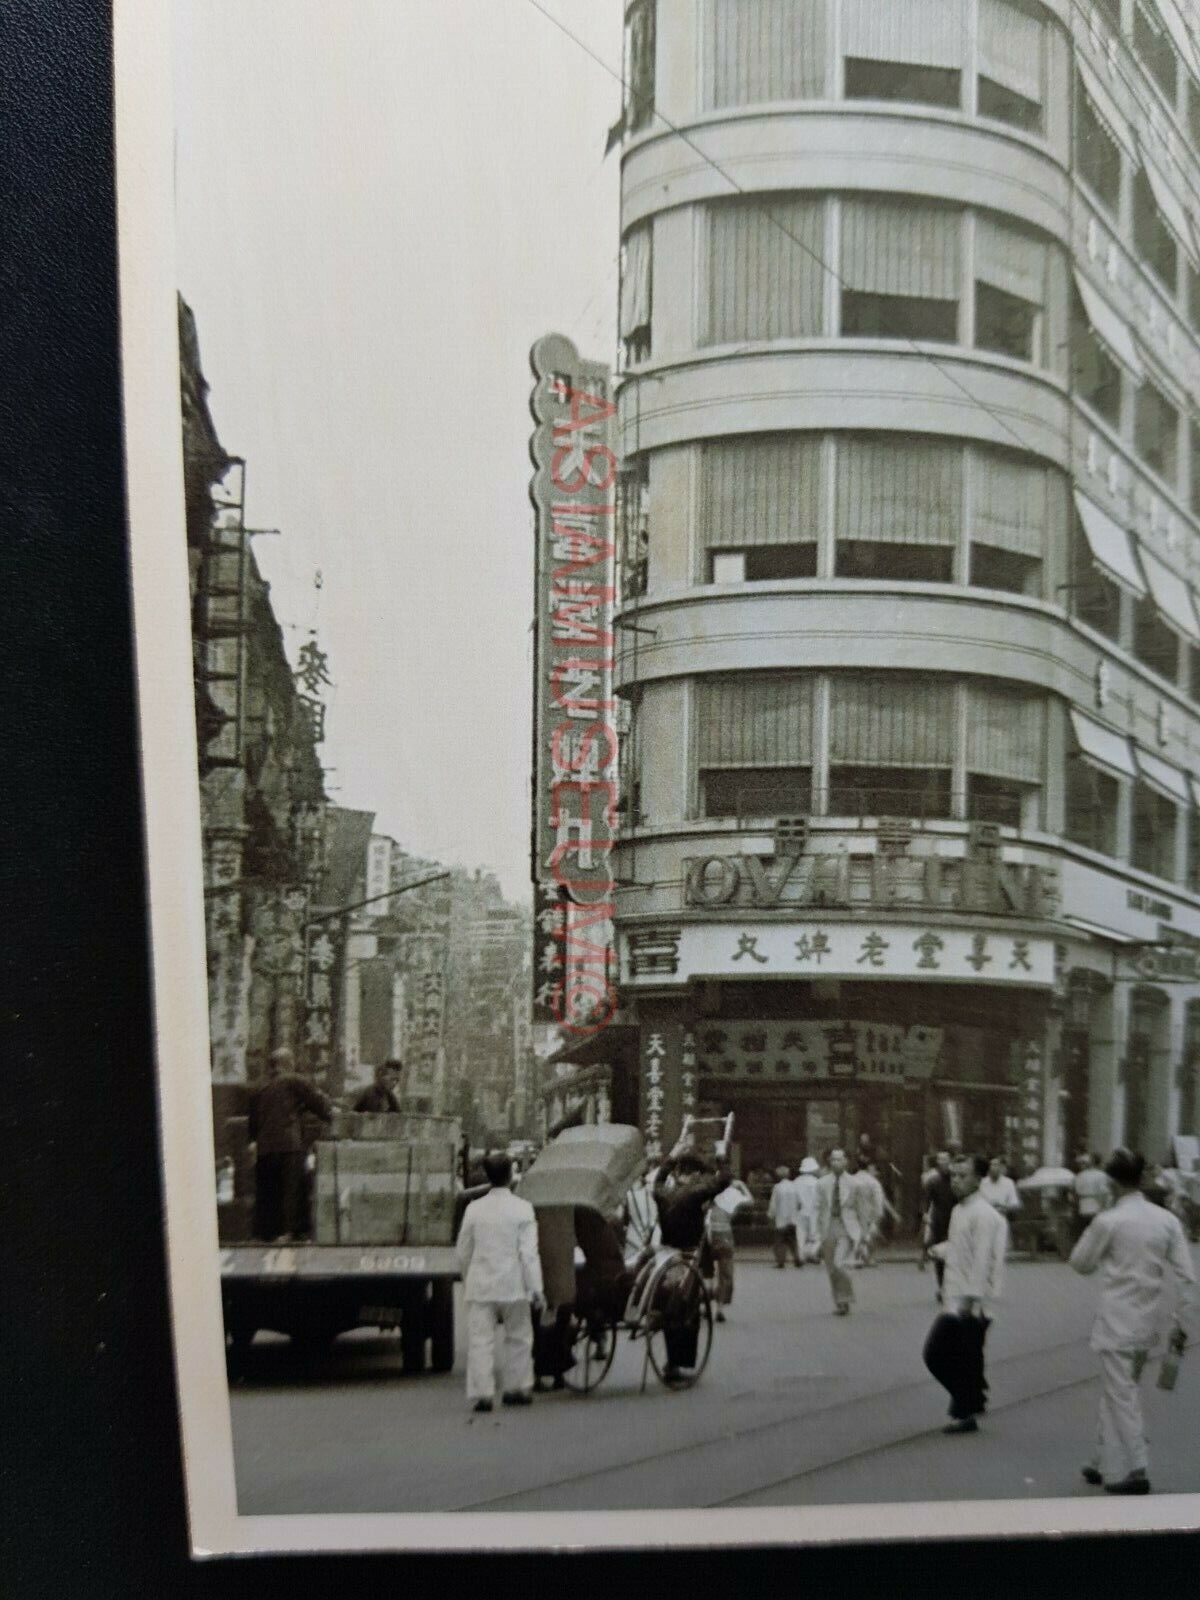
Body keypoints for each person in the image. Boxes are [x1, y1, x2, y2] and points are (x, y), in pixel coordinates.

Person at [1069, 1148, 1197, 1495]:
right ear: (1141, 1178)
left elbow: (1080, 1263)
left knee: (1120, 1392)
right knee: (1121, 1387)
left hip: (1115, 1320)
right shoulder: (1166, 1220)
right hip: (1148, 1320)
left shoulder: (1108, 1221)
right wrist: (1182, 1324)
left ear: (1110, 1183)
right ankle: (1099, 1461)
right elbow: (1188, 1277)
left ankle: (1136, 1466)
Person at [923, 1154, 1008, 1434]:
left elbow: (982, 1261)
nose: (956, 1182)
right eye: (953, 1176)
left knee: (936, 1353)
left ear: (978, 1179)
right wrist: (939, 1250)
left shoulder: (984, 1215)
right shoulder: (961, 1211)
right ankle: (970, 1404)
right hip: (956, 1295)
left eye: (963, 1176)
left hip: (970, 1303)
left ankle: (966, 1408)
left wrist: (970, 1302)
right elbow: (962, 1246)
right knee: (967, 1358)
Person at [456, 1149, 545, 1413]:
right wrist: (536, 1289)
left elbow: (463, 1251)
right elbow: (529, 1254)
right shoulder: (523, 1209)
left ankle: (482, 1394)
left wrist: (467, 1277)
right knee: (519, 1337)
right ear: (511, 1176)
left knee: (480, 1341)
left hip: (481, 1284)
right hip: (513, 1284)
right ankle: (516, 1388)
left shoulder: (474, 1209)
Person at [652, 1146, 730, 1379]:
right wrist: (718, 1159)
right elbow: (724, 1180)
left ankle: (672, 1359)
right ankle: (677, 1363)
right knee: (685, 1311)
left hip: (666, 1256)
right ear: (694, 1174)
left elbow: (658, 1179)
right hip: (688, 1256)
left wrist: (669, 1163)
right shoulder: (695, 1193)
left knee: (671, 1305)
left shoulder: (662, 1193)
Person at [247, 1047, 333, 1242]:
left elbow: (252, 1123)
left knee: (268, 1192)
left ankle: (265, 1234)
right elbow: (318, 1102)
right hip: (288, 1145)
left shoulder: (259, 1087)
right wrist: (332, 1115)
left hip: (264, 1148)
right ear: (287, 1064)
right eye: (292, 1062)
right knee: (292, 1190)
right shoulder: (293, 1080)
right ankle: (289, 1232)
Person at [815, 1149, 868, 1314]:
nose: (836, 1163)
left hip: (847, 1227)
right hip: (828, 1226)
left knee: (840, 1264)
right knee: (831, 1267)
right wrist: (814, 1234)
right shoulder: (822, 1183)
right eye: (833, 1160)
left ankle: (846, 1298)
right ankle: (839, 1301)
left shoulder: (855, 1184)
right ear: (829, 1162)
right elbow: (818, 1209)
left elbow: (862, 1211)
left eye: (839, 1160)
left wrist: (864, 1235)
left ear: (846, 1162)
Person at [922, 1150, 956, 1301]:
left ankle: (953, 1286)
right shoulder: (933, 1182)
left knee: (955, 1255)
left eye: (946, 1159)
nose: (943, 1162)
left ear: (951, 1161)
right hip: (939, 1221)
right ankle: (942, 1287)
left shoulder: (956, 1180)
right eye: (940, 1160)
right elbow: (926, 1201)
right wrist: (925, 1214)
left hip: (956, 1220)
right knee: (940, 1256)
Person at [854, 1161, 894, 1266]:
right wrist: (879, 1214)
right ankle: (868, 1258)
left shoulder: (851, 1180)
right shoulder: (873, 1182)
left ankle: (859, 1257)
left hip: (855, 1213)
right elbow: (879, 1200)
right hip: (870, 1213)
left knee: (858, 1236)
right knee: (870, 1236)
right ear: (869, 1169)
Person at [768, 1165, 802, 1268]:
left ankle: (781, 1261)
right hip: (793, 1219)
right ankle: (797, 1259)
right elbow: (800, 1203)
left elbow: (773, 1205)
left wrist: (770, 1215)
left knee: (780, 1242)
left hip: (781, 1219)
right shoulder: (794, 1186)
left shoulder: (777, 1188)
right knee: (793, 1241)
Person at [1073, 1152, 1111, 1243]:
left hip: (1083, 1208)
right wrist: (1105, 1208)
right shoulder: (1101, 1175)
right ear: (1100, 1163)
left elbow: (1076, 1193)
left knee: (1084, 1237)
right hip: (1096, 1207)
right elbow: (1103, 1193)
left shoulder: (1080, 1176)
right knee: (1096, 1238)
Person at [793, 1157, 821, 1261]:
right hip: (814, 1211)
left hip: (800, 1211)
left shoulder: (796, 1182)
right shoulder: (817, 1182)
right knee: (816, 1235)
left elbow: (794, 1199)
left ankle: (801, 1255)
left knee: (801, 1234)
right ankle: (812, 1253)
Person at [979, 1156, 1021, 1222]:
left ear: (1001, 1167)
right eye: (991, 1165)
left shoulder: (1009, 1183)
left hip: (1002, 1220)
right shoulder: (982, 1183)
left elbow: (1015, 1204)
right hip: (984, 1220)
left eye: (996, 1165)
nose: (993, 1168)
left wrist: (1004, 1207)